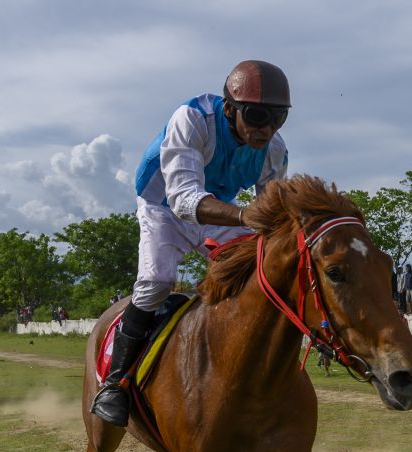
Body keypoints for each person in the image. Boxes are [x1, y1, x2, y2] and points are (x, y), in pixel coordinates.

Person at [92, 59, 291, 426]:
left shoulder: (274, 150)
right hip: (163, 208)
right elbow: (183, 201)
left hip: (219, 212)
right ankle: (114, 384)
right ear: (230, 108)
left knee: (263, 266)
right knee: (157, 282)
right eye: (258, 115)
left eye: (278, 118)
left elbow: (274, 218)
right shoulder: (193, 118)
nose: (267, 128)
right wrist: (247, 216)